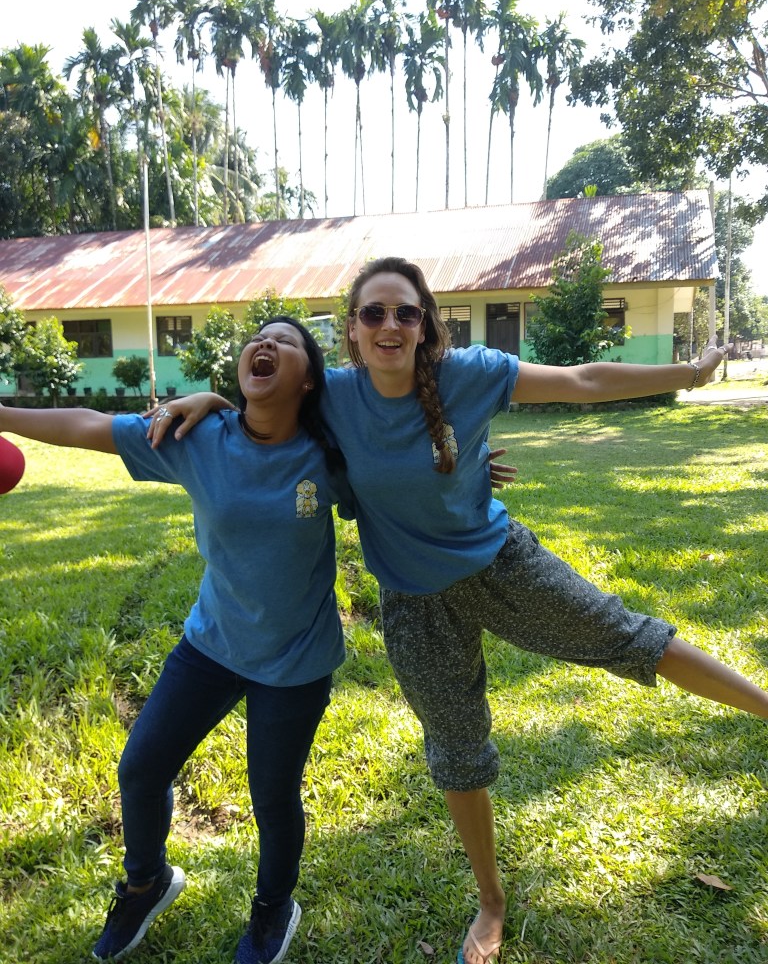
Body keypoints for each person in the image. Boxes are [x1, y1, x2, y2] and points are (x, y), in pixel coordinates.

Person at [149, 257, 768, 964]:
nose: (389, 324)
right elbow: (270, 400)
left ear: (425, 325)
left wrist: (691, 374)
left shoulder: (467, 373)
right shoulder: (335, 397)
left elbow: (583, 381)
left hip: (501, 566)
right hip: (414, 605)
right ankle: (492, 901)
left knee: (629, 638)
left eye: (404, 312)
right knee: (458, 752)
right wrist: (211, 399)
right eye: (373, 312)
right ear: (352, 329)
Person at [0, 317, 354, 964]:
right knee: (141, 768)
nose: (265, 344)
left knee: (273, 797)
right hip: (212, 644)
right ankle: (147, 883)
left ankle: (273, 907)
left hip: (296, 660)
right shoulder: (199, 438)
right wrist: (2, 414)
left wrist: (462, 464)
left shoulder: (331, 453)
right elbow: (88, 425)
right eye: (258, 337)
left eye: (286, 341)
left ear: (309, 380)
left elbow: (402, 469)